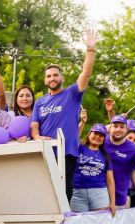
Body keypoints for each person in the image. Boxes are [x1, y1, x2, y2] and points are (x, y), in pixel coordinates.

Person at [30, 29, 97, 201]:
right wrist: (36, 136)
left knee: (63, 194)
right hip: (45, 152)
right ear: (45, 80)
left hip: (66, 153)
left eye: (55, 75)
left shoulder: (72, 94)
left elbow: (86, 74)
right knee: (44, 194)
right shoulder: (40, 101)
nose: (52, 78)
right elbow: (34, 125)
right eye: (49, 76)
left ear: (62, 78)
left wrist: (90, 51)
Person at [71, 123, 115, 215]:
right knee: (79, 223)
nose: (97, 137)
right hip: (78, 193)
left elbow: (110, 180)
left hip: (99, 194)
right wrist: (83, 123)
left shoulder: (106, 156)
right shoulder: (79, 148)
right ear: (89, 134)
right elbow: (73, 137)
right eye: (95, 133)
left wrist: (113, 202)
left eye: (101, 135)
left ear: (104, 139)